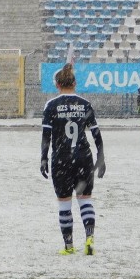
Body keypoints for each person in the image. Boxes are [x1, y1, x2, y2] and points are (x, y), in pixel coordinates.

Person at [40, 63, 106, 255]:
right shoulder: (85, 104)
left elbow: (46, 136)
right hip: (83, 157)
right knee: (85, 200)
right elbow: (96, 134)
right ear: (75, 83)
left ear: (57, 85)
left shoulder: (51, 105)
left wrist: (43, 158)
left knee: (64, 203)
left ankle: (69, 246)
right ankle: (89, 239)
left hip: (62, 158)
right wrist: (100, 158)